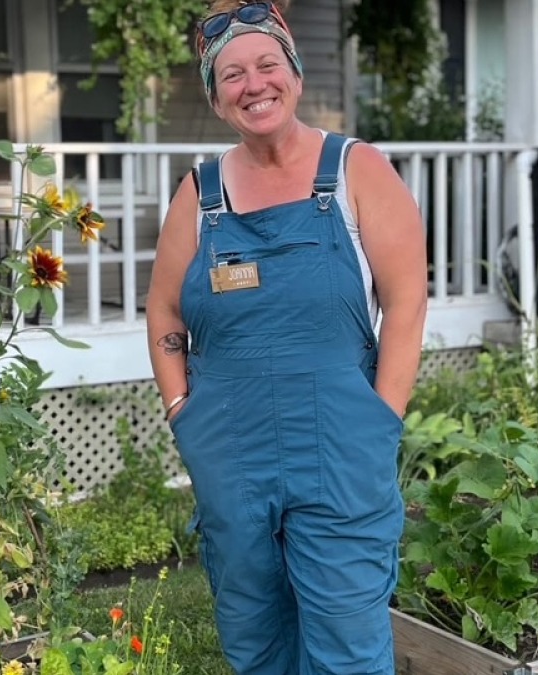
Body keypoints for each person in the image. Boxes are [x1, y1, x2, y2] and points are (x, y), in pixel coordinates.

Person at [145, 1, 428, 672]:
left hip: (339, 446)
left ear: (294, 75)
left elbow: (408, 305)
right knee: (252, 630)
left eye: (268, 64)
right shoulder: (199, 194)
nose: (255, 84)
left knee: (347, 637)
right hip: (229, 449)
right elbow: (163, 312)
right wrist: (181, 411)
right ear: (217, 99)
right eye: (233, 74)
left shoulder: (358, 171)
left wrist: (380, 418)